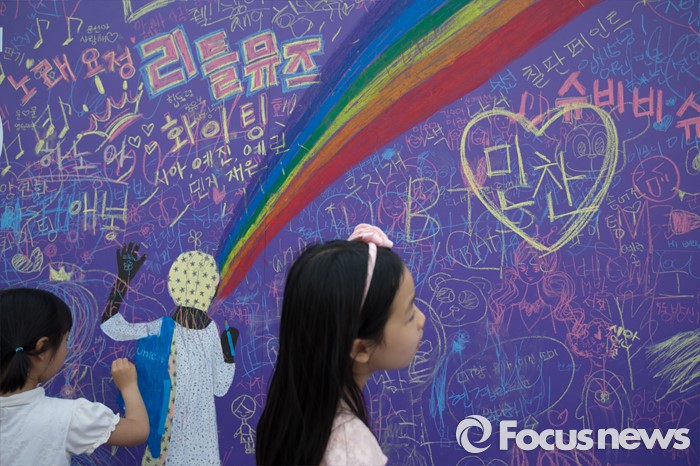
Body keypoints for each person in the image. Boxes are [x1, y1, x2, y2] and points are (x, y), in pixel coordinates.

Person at [256, 224, 426, 465]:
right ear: (360, 349)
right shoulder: (350, 448)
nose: (421, 319)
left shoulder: (291, 418)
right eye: (409, 313)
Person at [100, 243, 239, 466]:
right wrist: (228, 354)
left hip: (177, 442)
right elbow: (220, 388)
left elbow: (112, 326)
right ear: (211, 288)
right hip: (197, 446)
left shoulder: (165, 328)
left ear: (174, 284)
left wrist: (123, 280)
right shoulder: (206, 331)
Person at [0, 288, 149, 466]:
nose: (67, 347)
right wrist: (128, 386)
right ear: (42, 348)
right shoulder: (66, 417)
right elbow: (138, 430)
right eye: (66, 340)